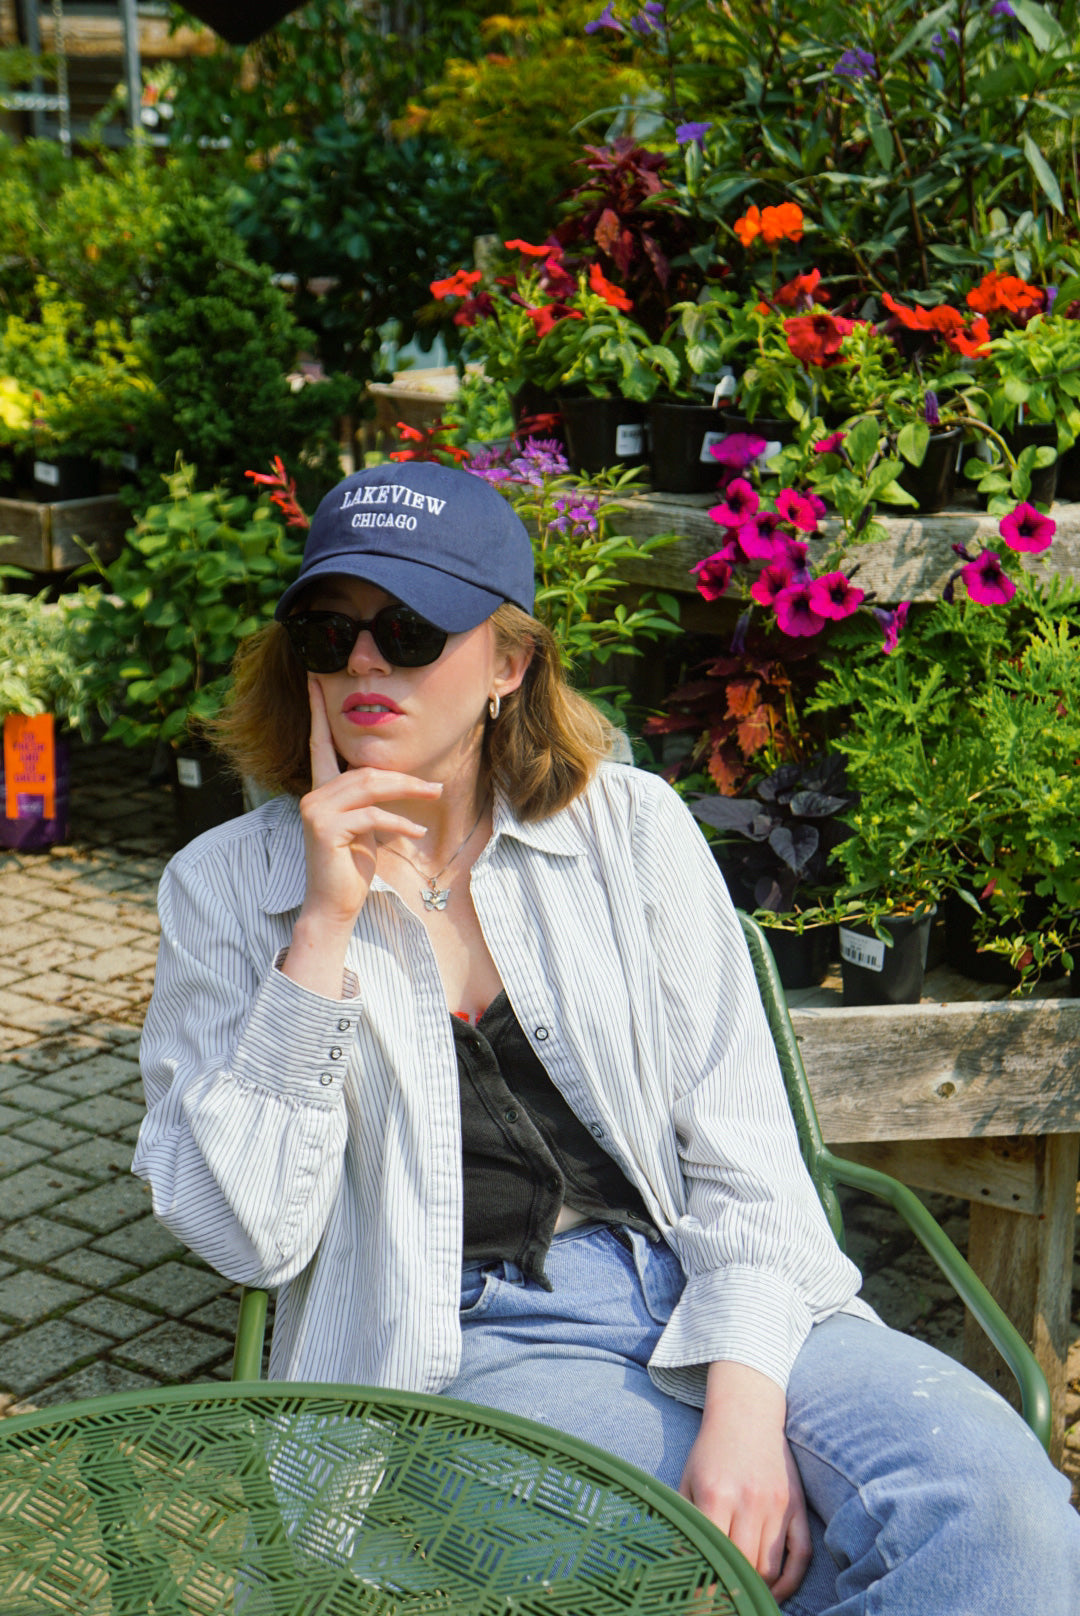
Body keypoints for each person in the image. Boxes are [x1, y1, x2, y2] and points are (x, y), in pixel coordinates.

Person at [134, 460, 1080, 1613]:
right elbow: (243, 1233)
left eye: (411, 627)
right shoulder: (228, 889)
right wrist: (323, 930)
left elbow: (744, 1146)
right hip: (457, 1338)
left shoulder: (628, 830)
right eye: (328, 632)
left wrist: (745, 1401)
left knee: (1000, 1514)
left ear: (509, 663)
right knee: (727, 1561)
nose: (365, 661)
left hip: (707, 1273)